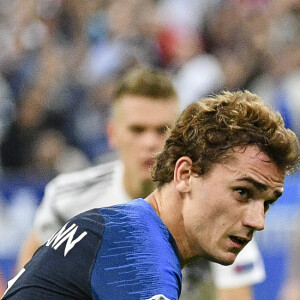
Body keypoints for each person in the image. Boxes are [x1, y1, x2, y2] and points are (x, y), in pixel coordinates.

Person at [3, 90, 299, 299]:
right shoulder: (140, 254)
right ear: (185, 175)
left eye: (267, 203)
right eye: (242, 192)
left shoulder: (116, 227)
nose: (258, 221)